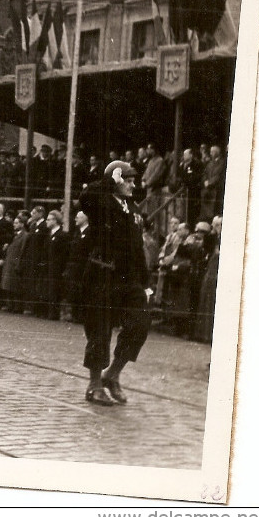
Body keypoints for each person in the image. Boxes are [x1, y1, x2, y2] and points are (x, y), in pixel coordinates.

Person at [78, 161, 151, 406]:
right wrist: (111, 180)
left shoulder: (132, 209)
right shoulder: (102, 204)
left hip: (129, 278)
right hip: (102, 275)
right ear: (116, 180)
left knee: (139, 324)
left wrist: (146, 282)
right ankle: (94, 384)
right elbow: (86, 196)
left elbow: (137, 247)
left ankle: (113, 375)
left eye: (133, 180)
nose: (133, 185)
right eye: (128, 180)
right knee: (100, 331)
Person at [0, 214, 28, 313]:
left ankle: (17, 306)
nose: (14, 225)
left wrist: (18, 263)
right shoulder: (14, 235)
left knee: (15, 286)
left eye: (16, 223)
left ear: (22, 224)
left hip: (15, 263)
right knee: (9, 286)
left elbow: (22, 250)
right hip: (10, 262)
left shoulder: (24, 236)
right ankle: (10, 305)